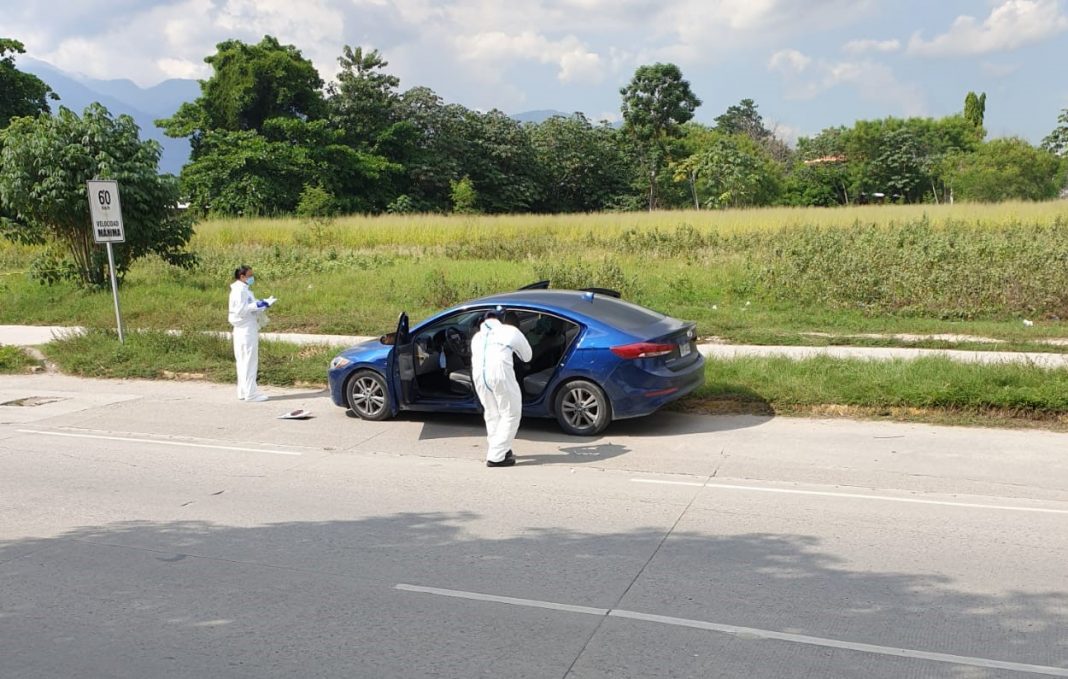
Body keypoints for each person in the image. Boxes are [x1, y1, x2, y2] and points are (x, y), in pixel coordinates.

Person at [470, 308, 532, 467]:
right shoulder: (509, 331)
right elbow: (527, 356)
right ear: (502, 319)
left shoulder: (476, 337)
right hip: (500, 374)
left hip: (480, 377)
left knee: (492, 413)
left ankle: (501, 449)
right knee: (511, 413)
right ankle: (496, 456)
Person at [228, 265, 276, 402]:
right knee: (249, 361)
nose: (252, 278)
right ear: (242, 277)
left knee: (244, 361)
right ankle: (251, 394)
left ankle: (243, 391)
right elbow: (240, 310)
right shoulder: (238, 291)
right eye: (250, 276)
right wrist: (259, 305)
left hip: (247, 327)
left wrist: (264, 304)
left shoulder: (245, 290)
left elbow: (250, 307)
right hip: (245, 330)